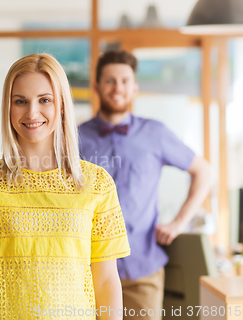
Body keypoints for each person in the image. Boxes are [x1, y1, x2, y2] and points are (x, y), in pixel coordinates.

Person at [0, 53, 131, 319]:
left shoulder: (95, 183)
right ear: (8, 107)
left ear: (61, 105)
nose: (32, 112)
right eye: (20, 101)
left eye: (44, 100)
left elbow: (107, 282)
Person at [78, 50, 211, 320]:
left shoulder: (156, 133)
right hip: (87, 271)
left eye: (125, 81)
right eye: (110, 81)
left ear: (135, 88)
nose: (118, 88)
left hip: (143, 270)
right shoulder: (74, 138)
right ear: (96, 86)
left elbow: (203, 171)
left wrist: (179, 222)